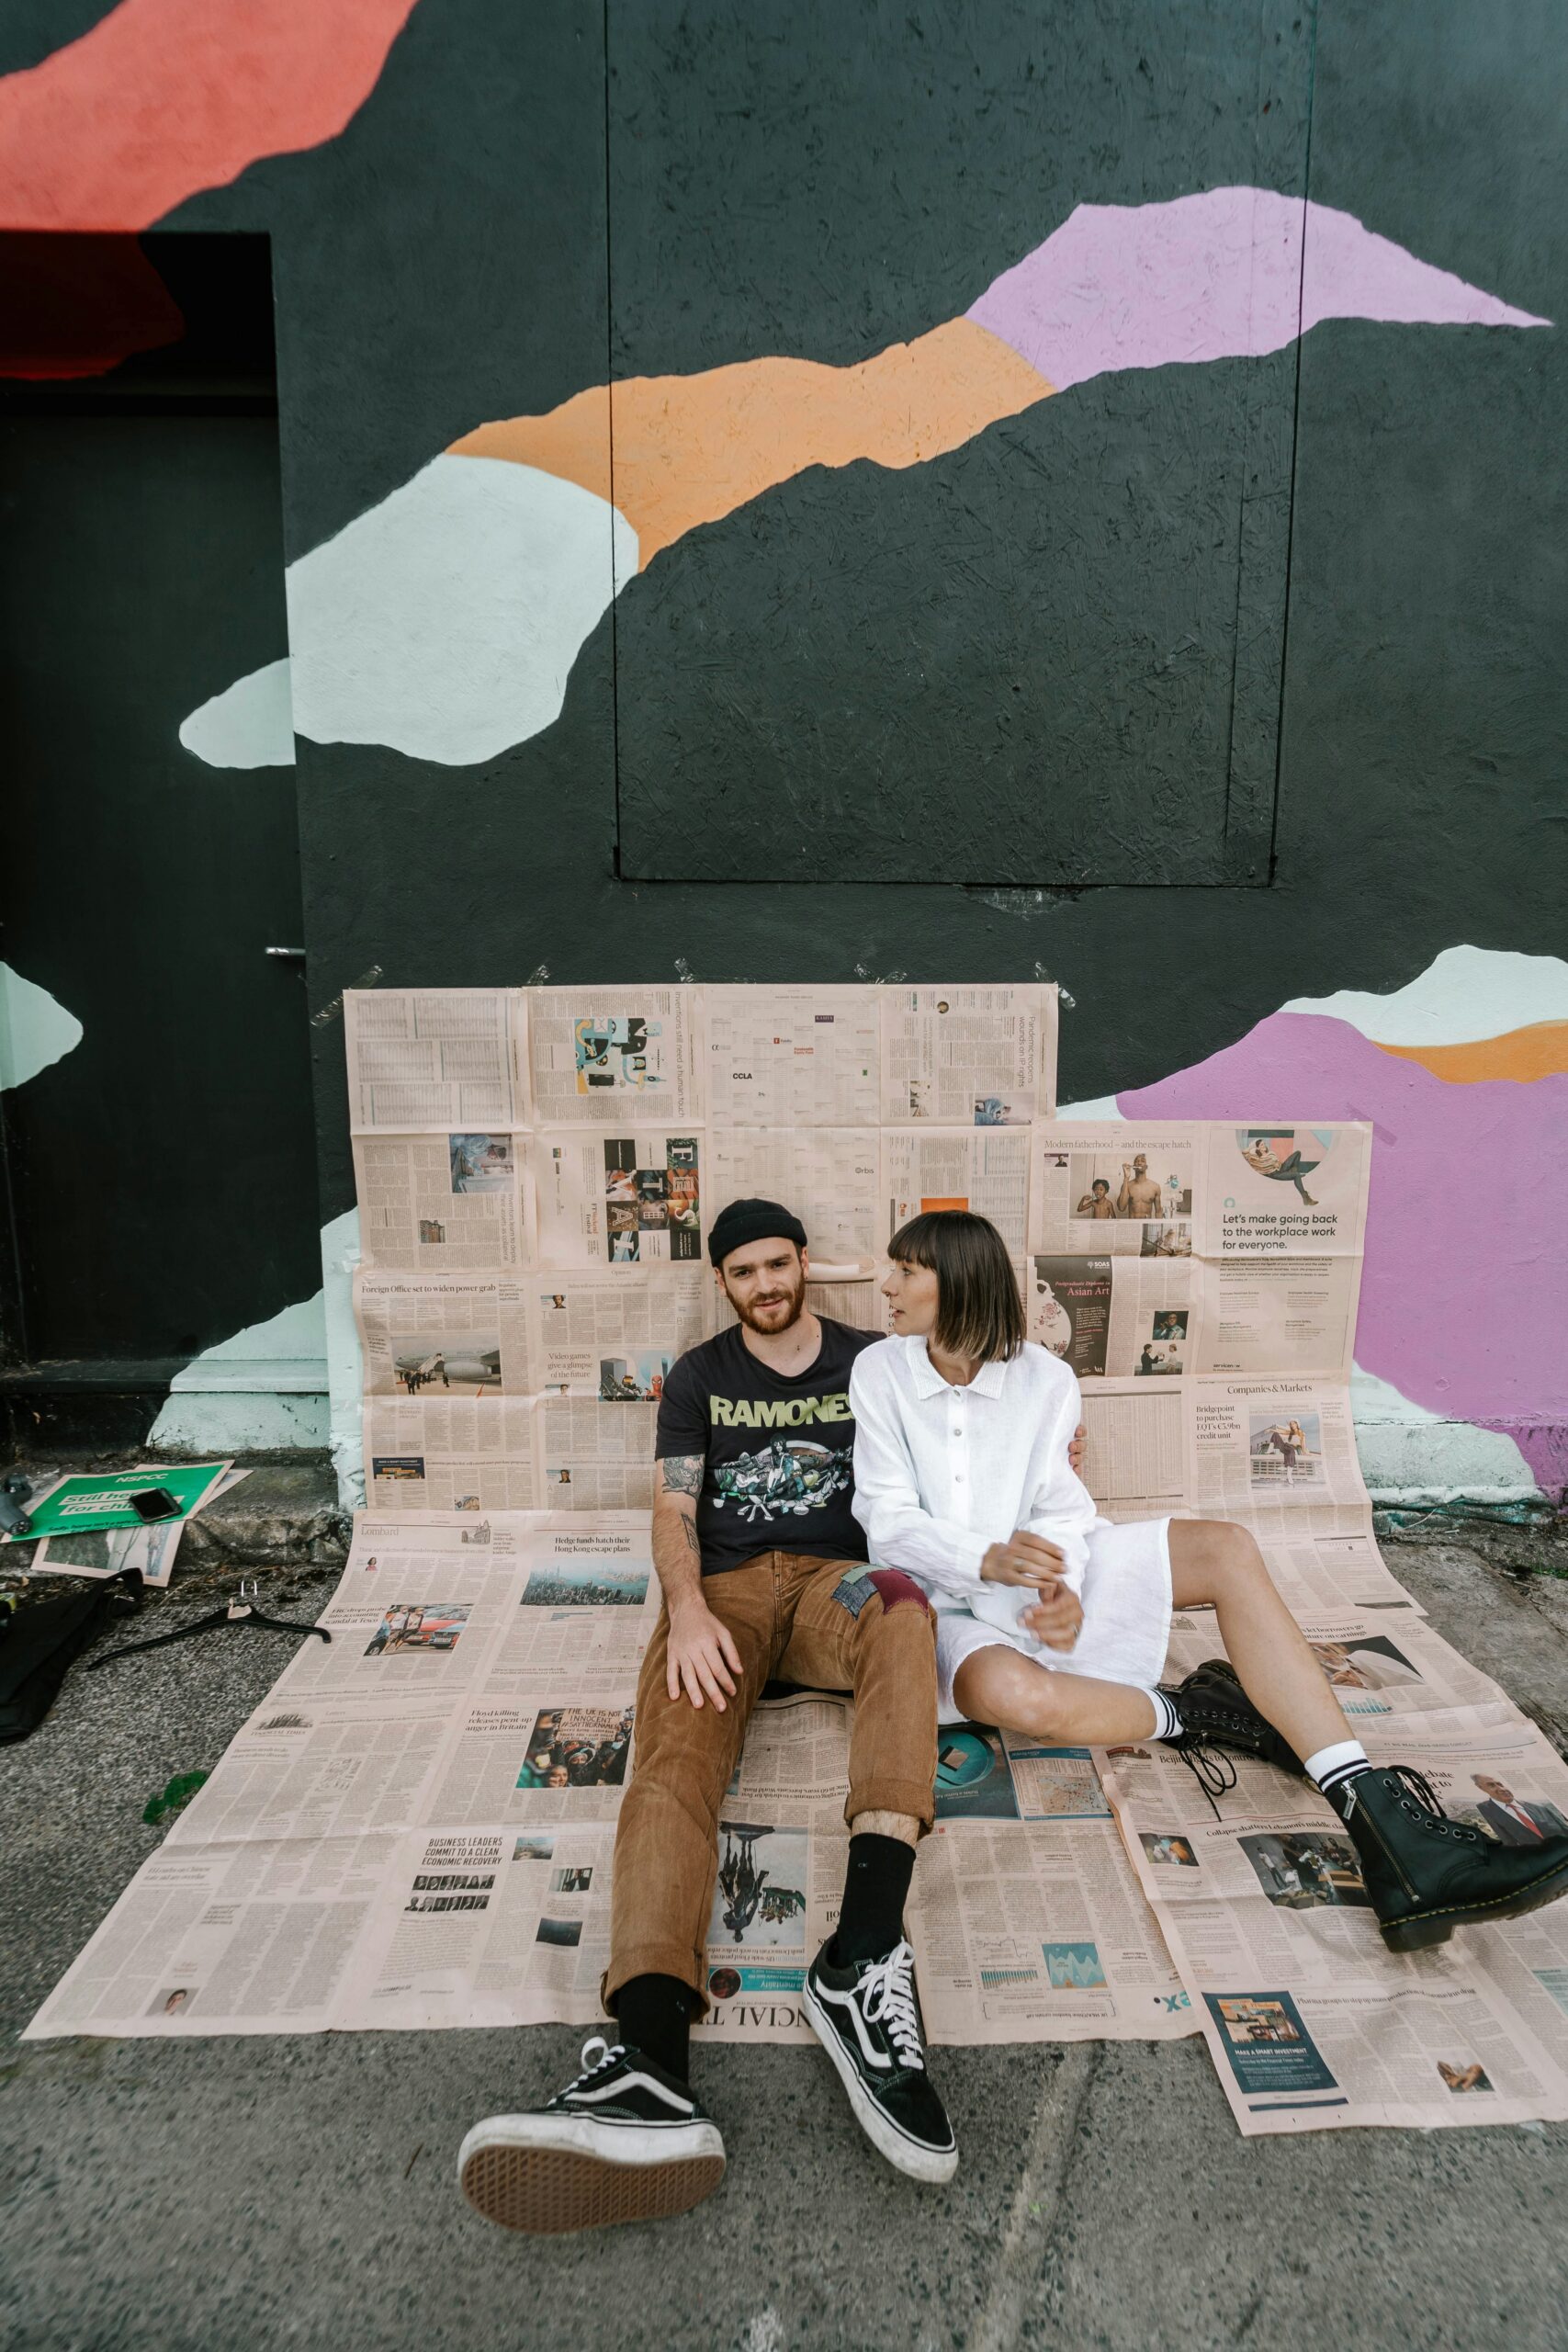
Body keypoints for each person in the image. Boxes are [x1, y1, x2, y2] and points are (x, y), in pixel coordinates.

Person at [847, 1210, 1568, 1964]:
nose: (885, 1285)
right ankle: (1199, 1710)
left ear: (959, 1283)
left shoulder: (1045, 1378)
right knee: (1016, 1699)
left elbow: (1058, 1507)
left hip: (1040, 1571)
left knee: (1226, 1547)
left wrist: (1058, 1584)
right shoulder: (880, 1371)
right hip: (942, 1599)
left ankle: (1382, 1824)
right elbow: (886, 1521)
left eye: (906, 1271)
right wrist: (987, 1561)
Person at [457, 1198, 955, 2234]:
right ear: (721, 1282)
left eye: (778, 1264)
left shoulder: (872, 1360)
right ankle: (649, 2063)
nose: (766, 1285)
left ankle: (862, 1954)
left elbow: (958, 1424)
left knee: (906, 1607)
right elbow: (674, 1506)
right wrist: (685, 1609)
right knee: (672, 1765)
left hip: (834, 1584)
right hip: (722, 1594)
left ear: (804, 1262)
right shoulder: (698, 1376)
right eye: (744, 1272)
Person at [1472, 1775, 1568, 1845]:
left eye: (1500, 1784)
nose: (1502, 1789)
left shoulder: (1540, 1808)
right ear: (1481, 1788)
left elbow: (1565, 1829)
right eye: (1491, 1785)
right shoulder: (1484, 1810)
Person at [1114, 1154, 1162, 1219]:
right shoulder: (1127, 1185)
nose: (1139, 1163)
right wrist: (1126, 1178)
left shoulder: (1155, 1187)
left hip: (1146, 1224)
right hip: (1133, 1224)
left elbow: (1158, 1212)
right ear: (1133, 1167)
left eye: (1142, 1161)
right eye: (1137, 1161)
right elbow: (1121, 1208)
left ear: (1146, 1167)